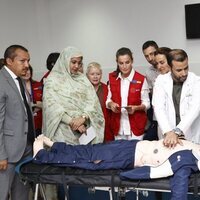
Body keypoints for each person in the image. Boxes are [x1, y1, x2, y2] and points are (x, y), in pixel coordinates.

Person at [33, 135, 200, 200]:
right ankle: (51, 150)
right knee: (90, 153)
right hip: (130, 149)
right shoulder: (194, 150)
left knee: (89, 157)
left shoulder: (187, 161)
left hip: (128, 153)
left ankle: (48, 152)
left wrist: (129, 175)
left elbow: (179, 190)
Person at [42, 46, 105, 145]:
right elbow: (52, 107)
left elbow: (93, 102)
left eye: (79, 63)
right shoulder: (52, 81)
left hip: (83, 131)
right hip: (62, 132)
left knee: (85, 158)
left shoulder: (83, 79)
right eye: (73, 62)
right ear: (65, 60)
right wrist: (72, 122)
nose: (76, 66)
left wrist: (83, 118)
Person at [0, 45, 35, 200]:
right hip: (7, 153)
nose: (27, 65)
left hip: (26, 150)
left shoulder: (19, 80)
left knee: (21, 195)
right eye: (22, 61)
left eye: (28, 60)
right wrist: (1, 155)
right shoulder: (1, 82)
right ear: (9, 61)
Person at [152, 49, 200, 148]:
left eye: (186, 68)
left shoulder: (196, 81)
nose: (184, 73)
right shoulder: (161, 81)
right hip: (168, 135)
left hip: (189, 134)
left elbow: (194, 109)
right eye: (179, 70)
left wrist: (177, 131)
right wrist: (168, 131)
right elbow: (159, 108)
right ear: (169, 67)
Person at [106, 47, 150, 140]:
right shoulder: (112, 78)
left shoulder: (141, 79)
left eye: (127, 62)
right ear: (117, 62)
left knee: (135, 153)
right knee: (120, 153)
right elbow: (108, 100)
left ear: (132, 61)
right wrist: (111, 104)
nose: (124, 66)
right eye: (121, 63)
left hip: (135, 126)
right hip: (118, 125)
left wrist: (136, 108)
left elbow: (147, 103)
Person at [86, 62, 110, 142]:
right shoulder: (83, 90)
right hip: (88, 129)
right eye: (92, 74)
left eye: (98, 74)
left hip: (105, 128)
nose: (95, 77)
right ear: (87, 75)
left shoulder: (107, 89)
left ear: (101, 75)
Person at [22, 65, 43, 136]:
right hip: (25, 124)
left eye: (28, 70)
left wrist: (33, 103)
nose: (27, 72)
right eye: (24, 70)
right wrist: (38, 105)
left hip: (40, 122)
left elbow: (47, 104)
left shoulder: (39, 85)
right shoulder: (17, 87)